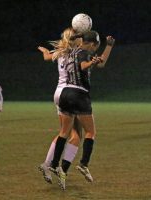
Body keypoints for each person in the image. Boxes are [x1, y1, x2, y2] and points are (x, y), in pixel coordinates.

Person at [49, 30, 115, 190]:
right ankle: (84, 164)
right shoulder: (83, 52)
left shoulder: (72, 51)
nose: (94, 50)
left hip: (65, 93)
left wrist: (108, 47)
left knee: (65, 132)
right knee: (90, 133)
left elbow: (101, 63)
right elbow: (83, 65)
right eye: (96, 47)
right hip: (79, 94)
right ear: (92, 44)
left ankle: (54, 164)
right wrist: (90, 63)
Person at [37, 27, 83, 184]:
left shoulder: (61, 52)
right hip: (70, 94)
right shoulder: (75, 52)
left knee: (71, 133)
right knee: (72, 134)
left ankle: (49, 164)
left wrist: (44, 51)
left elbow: (46, 57)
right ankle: (56, 167)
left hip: (58, 93)